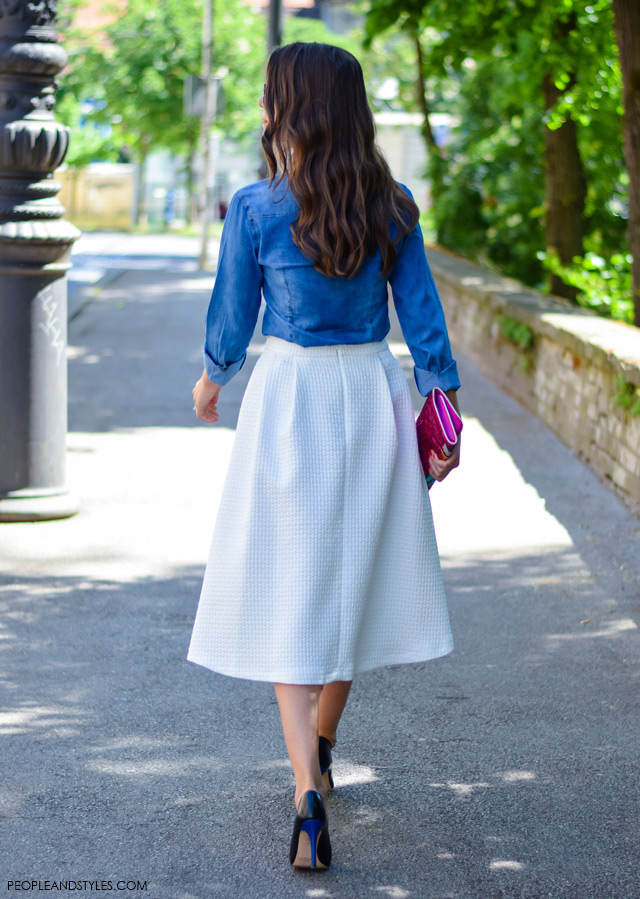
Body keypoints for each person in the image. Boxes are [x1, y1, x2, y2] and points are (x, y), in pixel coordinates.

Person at [188, 41, 461, 871]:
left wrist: (211, 382)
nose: (265, 109)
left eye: (273, 96)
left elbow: (233, 322)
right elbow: (422, 318)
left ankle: (306, 785)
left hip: (290, 401)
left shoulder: (256, 206)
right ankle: (325, 742)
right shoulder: (395, 204)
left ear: (294, 108)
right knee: (354, 577)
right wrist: (443, 405)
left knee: (286, 583)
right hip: (374, 399)